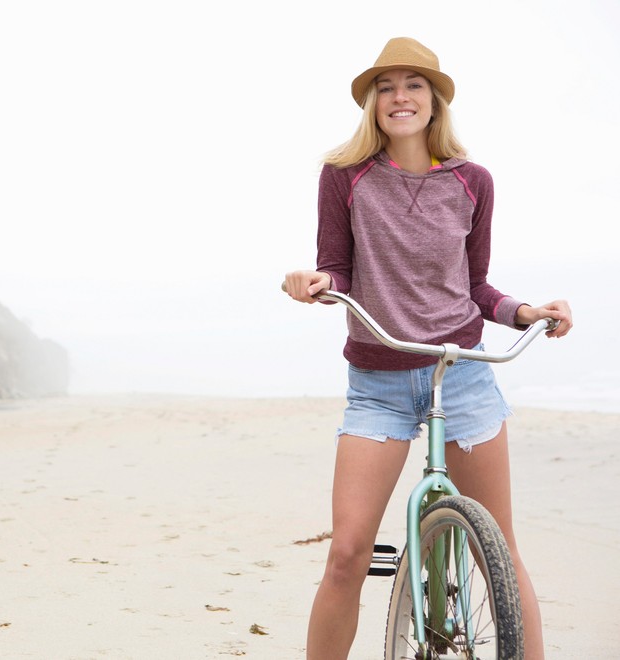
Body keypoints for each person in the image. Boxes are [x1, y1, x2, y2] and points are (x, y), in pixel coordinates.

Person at [283, 37, 573, 659]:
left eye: (413, 84)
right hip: (379, 385)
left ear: (435, 99)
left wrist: (526, 312)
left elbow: (474, 286)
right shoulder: (346, 177)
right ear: (372, 104)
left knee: (496, 548)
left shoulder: (473, 182)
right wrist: (313, 284)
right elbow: (335, 268)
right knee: (347, 553)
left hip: (462, 376)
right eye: (385, 87)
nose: (399, 97)